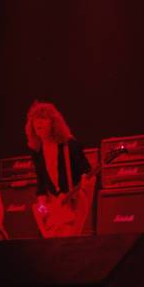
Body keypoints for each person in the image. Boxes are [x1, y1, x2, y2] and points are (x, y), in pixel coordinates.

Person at [25, 100, 94, 237]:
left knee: (68, 243)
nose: (38, 123)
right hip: (53, 202)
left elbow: (86, 170)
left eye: (43, 119)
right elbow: (41, 179)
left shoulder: (70, 145)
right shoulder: (37, 150)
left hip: (73, 199)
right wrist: (42, 202)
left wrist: (83, 183)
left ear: (53, 123)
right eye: (35, 120)